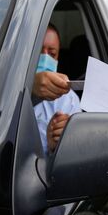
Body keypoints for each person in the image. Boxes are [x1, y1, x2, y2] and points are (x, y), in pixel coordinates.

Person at [32, 24, 81, 154]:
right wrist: (30, 87)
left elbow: (75, 158)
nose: (45, 58)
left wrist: (55, 148)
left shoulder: (67, 100)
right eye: (38, 51)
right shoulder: (3, 86)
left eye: (52, 54)